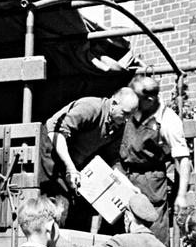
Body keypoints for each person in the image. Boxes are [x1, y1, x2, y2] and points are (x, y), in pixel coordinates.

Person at [43, 87, 139, 226]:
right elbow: (56, 133)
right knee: (60, 208)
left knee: (83, 212)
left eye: (130, 116)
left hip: (77, 162)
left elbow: (113, 159)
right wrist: (70, 168)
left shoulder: (118, 124)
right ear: (114, 103)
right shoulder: (90, 107)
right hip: (53, 151)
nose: (127, 120)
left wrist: (127, 185)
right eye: (125, 113)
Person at [117, 76, 191, 247]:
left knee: (153, 235)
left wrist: (181, 196)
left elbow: (183, 158)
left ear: (149, 99)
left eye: (136, 97)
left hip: (150, 181)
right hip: (123, 175)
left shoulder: (168, 120)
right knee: (120, 235)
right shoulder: (130, 109)